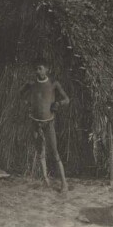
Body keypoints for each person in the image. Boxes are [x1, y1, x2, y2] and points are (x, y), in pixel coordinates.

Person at [19, 57, 70, 192]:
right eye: (36, 69)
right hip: (35, 122)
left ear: (47, 69)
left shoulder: (54, 84)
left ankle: (64, 183)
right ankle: (45, 180)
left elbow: (67, 99)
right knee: (40, 150)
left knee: (54, 152)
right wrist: (26, 103)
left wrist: (58, 103)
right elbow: (20, 94)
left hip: (48, 123)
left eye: (40, 68)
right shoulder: (31, 84)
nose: (38, 71)